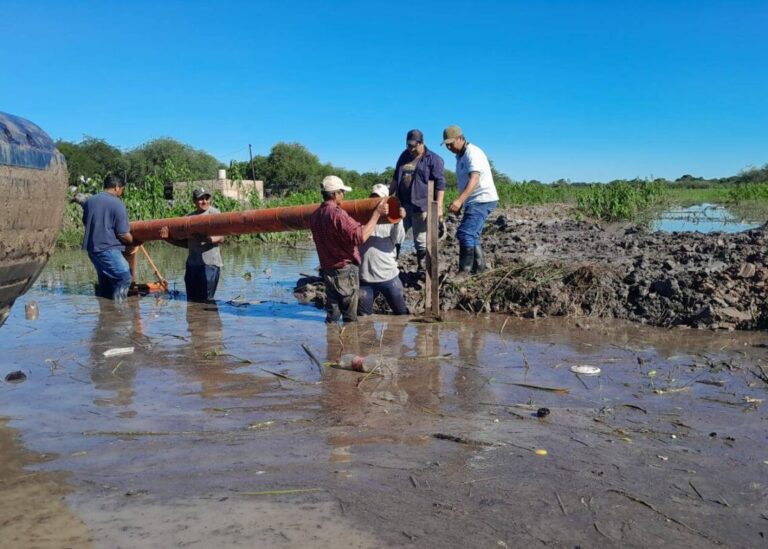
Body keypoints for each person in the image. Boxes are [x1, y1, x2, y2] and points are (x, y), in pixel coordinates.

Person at [309, 175, 389, 324]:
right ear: (335, 194)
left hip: (327, 270)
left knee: (332, 316)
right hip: (344, 271)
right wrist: (376, 214)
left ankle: (332, 343)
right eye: (342, 192)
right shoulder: (338, 215)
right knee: (350, 317)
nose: (344, 195)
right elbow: (360, 237)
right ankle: (350, 345)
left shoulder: (315, 215)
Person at [442, 125, 499, 274]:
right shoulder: (461, 156)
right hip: (474, 200)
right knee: (472, 234)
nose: (449, 147)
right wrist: (463, 201)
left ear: (460, 138)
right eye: (446, 145)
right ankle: (479, 269)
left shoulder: (472, 153)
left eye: (451, 143)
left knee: (465, 233)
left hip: (482, 199)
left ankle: (464, 272)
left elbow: (474, 178)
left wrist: (460, 200)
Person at [390, 129, 446, 271]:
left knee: (420, 240)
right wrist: (388, 197)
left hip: (421, 206)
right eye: (408, 145)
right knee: (396, 236)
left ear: (421, 143)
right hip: (402, 205)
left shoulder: (434, 159)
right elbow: (395, 178)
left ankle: (422, 268)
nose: (410, 149)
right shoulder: (404, 156)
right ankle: (390, 265)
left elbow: (440, 186)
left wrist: (439, 207)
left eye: (413, 146)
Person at [163, 188, 224, 302]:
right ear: (194, 201)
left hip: (209, 264)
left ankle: (206, 319)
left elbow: (221, 238)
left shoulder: (215, 214)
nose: (204, 202)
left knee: (207, 301)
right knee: (191, 301)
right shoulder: (189, 218)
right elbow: (187, 244)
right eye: (201, 199)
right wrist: (168, 239)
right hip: (192, 265)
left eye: (206, 198)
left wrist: (208, 239)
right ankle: (194, 320)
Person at [358, 184, 408, 316]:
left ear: (386, 201)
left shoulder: (393, 217)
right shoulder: (361, 217)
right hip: (365, 278)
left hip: (388, 276)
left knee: (401, 314)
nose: (376, 202)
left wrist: (398, 220)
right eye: (373, 198)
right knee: (363, 319)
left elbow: (399, 239)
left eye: (379, 199)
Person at [81, 174, 134, 301]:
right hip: (108, 249)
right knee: (124, 277)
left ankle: (106, 315)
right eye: (122, 189)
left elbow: (86, 222)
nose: (122, 192)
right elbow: (122, 233)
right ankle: (119, 310)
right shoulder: (117, 204)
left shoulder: (90, 201)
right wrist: (132, 241)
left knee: (105, 281)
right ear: (116, 187)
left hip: (92, 249)